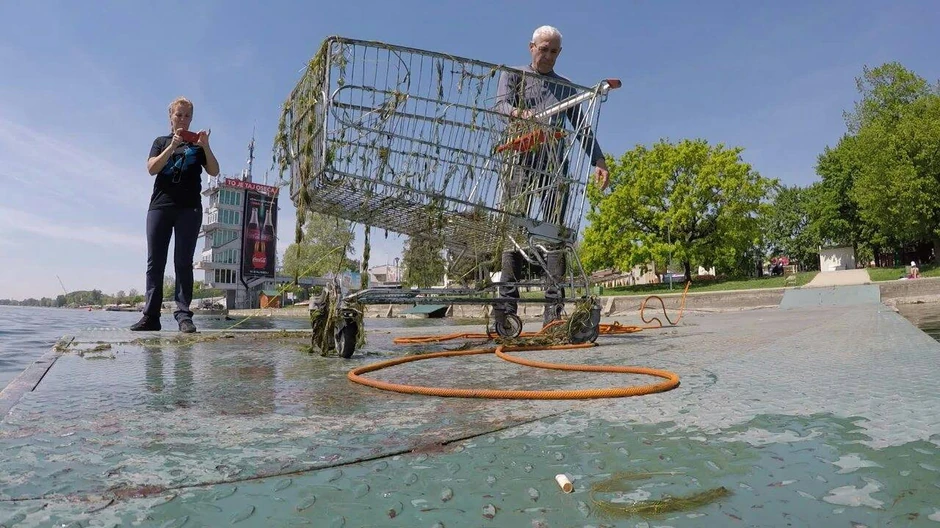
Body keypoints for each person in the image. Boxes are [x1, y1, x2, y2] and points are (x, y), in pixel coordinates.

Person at [492, 25, 610, 327]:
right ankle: (506, 308)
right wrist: (521, 114)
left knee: (555, 234)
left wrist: (599, 160)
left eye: (554, 51)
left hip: (554, 165)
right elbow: (500, 105)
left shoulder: (565, 86)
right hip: (519, 161)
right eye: (543, 49)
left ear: (560, 53)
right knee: (513, 231)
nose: (547, 56)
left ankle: (552, 311)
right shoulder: (514, 75)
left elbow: (581, 128)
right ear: (531, 47)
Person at [131, 97, 220, 333]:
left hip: (189, 209)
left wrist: (205, 146)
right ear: (171, 117)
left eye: (187, 116)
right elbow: (152, 168)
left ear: (191, 119)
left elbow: (214, 170)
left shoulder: (198, 147)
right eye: (178, 115)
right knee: (155, 262)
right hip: (160, 207)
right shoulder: (160, 142)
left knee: (183, 262)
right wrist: (172, 147)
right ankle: (151, 316)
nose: (182, 119)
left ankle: (183, 316)